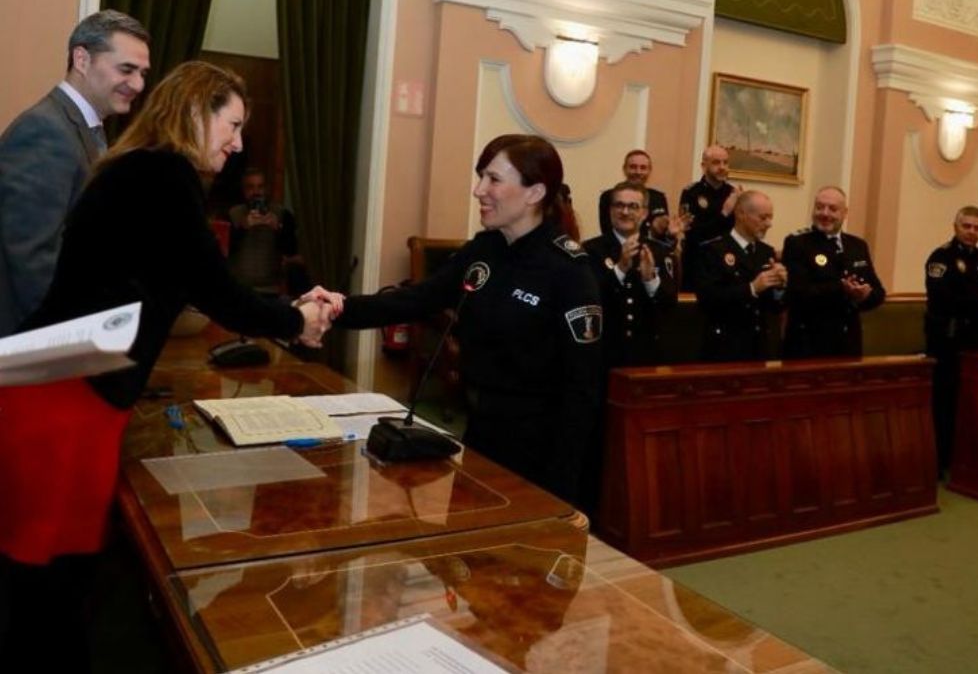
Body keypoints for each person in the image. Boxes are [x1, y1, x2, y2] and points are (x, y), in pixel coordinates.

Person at [0, 61, 330, 670]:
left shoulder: (136, 168)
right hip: (66, 396)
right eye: (230, 125)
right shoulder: (164, 176)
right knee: (47, 582)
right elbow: (217, 290)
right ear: (196, 110)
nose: (236, 143)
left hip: (55, 382)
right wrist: (296, 322)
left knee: (51, 577)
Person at [311, 134, 605, 506]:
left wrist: (562, 491)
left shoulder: (569, 272)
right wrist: (335, 308)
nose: (479, 189)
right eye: (481, 176)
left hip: (540, 452)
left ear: (534, 193)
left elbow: (583, 390)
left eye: (493, 179)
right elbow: (415, 300)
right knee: (467, 555)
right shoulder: (485, 250)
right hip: (480, 431)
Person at [0, 10, 151, 336]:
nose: (138, 84)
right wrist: (69, 336)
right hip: (28, 339)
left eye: (142, 73)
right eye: (127, 69)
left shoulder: (89, 129)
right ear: (82, 59)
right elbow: (31, 257)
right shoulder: (46, 130)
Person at [924, 206, 978, 472]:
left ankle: (962, 459)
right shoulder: (941, 257)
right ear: (956, 226)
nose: (972, 232)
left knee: (969, 403)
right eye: (967, 226)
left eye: (977, 228)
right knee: (944, 404)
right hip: (947, 342)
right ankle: (939, 463)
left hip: (975, 341)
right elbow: (941, 300)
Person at [781, 186, 885, 358]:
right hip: (809, 344)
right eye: (819, 207)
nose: (825, 213)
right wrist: (841, 288)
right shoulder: (798, 243)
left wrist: (864, 295)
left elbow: (879, 293)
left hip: (848, 343)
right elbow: (797, 293)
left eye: (832, 209)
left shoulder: (857, 246)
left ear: (845, 213)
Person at [584, 180, 678, 368]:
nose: (625, 212)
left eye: (633, 206)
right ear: (610, 210)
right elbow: (588, 301)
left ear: (644, 213)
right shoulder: (591, 250)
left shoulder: (660, 251)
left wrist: (650, 280)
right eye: (619, 205)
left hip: (645, 355)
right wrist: (620, 268)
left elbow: (669, 306)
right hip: (605, 354)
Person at [694, 190, 786, 361]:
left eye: (770, 217)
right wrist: (751, 288)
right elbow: (708, 299)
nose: (769, 223)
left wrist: (780, 287)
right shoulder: (714, 250)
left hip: (758, 346)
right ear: (741, 214)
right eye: (763, 217)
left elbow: (773, 308)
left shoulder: (766, 252)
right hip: (724, 347)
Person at [228, 167, 311, 297]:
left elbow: (291, 251)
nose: (256, 192)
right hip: (239, 289)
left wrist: (278, 227)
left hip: (271, 290)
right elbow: (223, 249)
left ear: (266, 189)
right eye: (250, 187)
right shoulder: (233, 214)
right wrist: (242, 228)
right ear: (244, 190)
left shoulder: (282, 214)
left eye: (260, 187)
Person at [679, 144, 741, 291]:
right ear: (703, 165)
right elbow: (694, 234)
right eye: (716, 162)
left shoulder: (733, 193)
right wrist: (724, 213)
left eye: (725, 162)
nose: (722, 167)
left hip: (726, 263)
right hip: (698, 262)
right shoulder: (691, 193)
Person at [597, 150, 670, 239]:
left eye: (643, 168)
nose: (638, 172)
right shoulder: (608, 196)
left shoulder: (658, 197)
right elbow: (607, 231)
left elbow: (662, 236)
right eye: (633, 167)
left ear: (649, 171)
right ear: (624, 169)